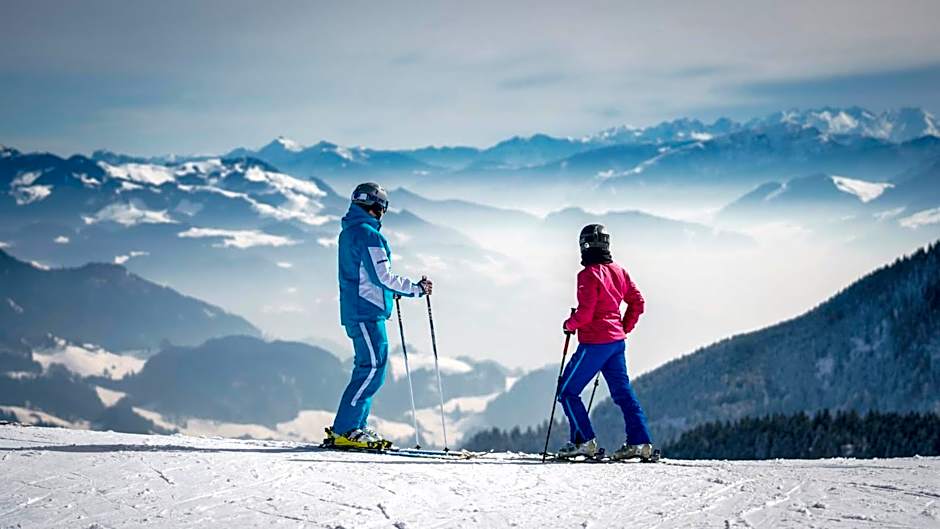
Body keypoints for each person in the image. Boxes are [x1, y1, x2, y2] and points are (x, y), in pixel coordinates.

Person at [327, 182, 432, 449]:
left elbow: (364, 275)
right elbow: (381, 276)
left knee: (370, 368)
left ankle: (355, 426)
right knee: (372, 369)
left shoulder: (350, 232)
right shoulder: (369, 235)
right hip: (366, 312)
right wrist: (415, 290)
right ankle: (347, 429)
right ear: (377, 207)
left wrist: (388, 293)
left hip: (359, 308)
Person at [556, 224, 655, 461]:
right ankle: (640, 443)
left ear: (584, 246)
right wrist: (623, 328)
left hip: (594, 343)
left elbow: (586, 313)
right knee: (623, 393)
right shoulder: (620, 271)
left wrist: (569, 324)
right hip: (616, 343)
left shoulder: (587, 275)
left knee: (567, 392)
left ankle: (583, 442)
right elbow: (638, 303)